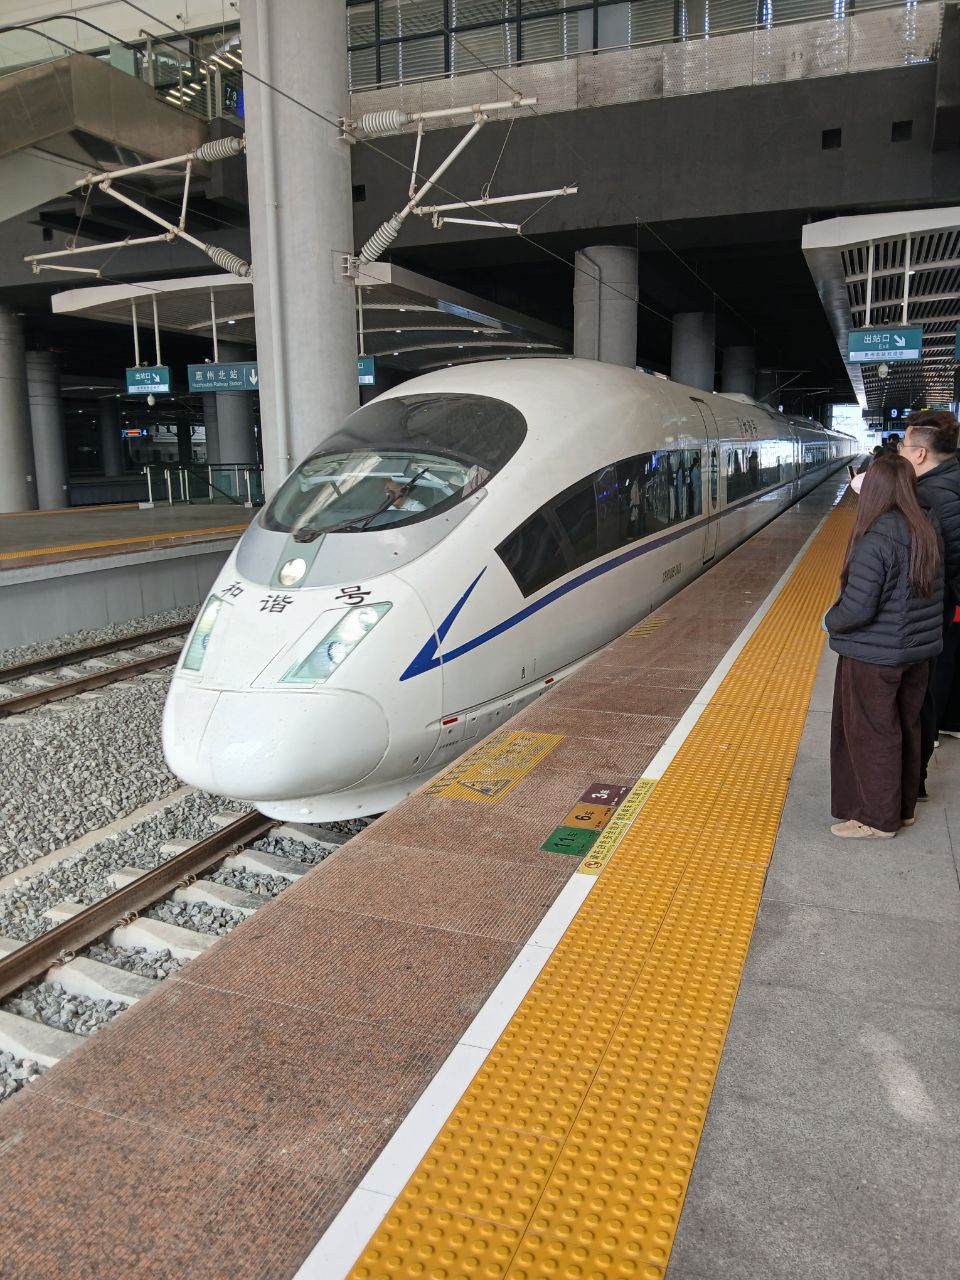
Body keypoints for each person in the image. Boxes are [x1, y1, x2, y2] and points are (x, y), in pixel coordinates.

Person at [825, 452, 943, 838]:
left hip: (874, 657)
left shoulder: (874, 539)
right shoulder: (926, 528)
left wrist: (830, 619)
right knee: (907, 727)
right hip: (916, 652)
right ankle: (902, 809)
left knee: (872, 733)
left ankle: (875, 818)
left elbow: (857, 609)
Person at [899, 410, 960, 788]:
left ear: (920, 454)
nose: (901, 451)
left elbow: (943, 562)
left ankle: (913, 779)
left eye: (904, 445)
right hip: (947, 608)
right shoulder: (950, 481)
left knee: (923, 690)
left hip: (942, 609)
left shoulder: (931, 495)